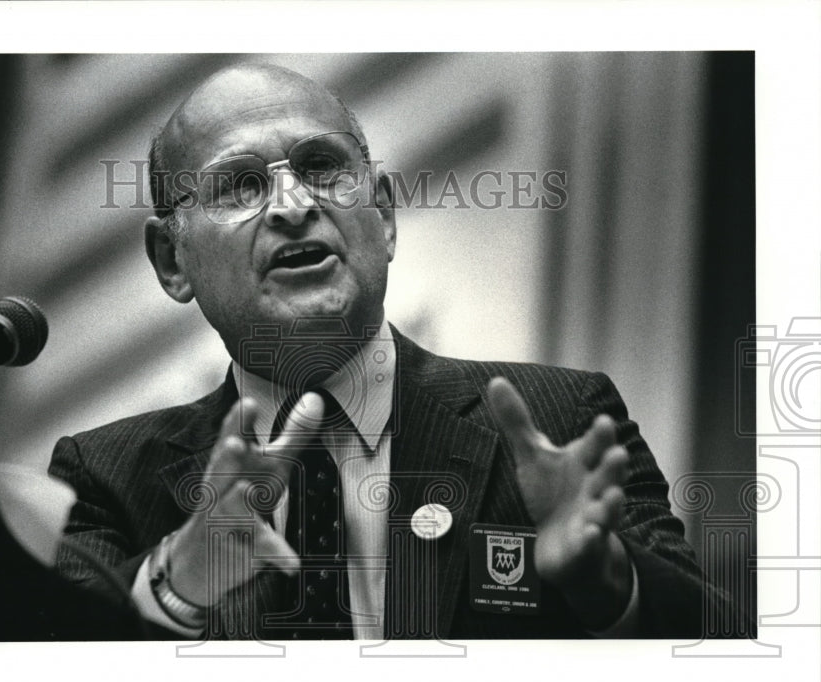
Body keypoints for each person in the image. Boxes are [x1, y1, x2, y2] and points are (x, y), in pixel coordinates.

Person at [49, 63, 729, 641]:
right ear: (173, 260)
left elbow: (719, 653)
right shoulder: (106, 478)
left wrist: (605, 579)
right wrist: (180, 582)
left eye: (321, 168)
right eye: (242, 185)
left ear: (385, 216)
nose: (292, 206)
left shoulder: (561, 416)